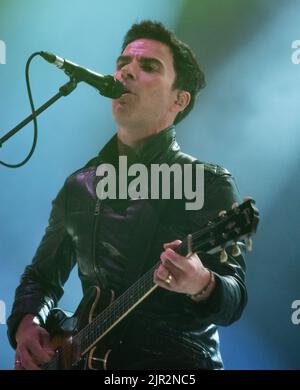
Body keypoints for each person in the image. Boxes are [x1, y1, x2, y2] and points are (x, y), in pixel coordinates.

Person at [7, 20, 247, 370]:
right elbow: (42, 277)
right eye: (122, 64)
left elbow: (234, 298)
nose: (126, 72)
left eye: (148, 66)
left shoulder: (208, 184)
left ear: (179, 99)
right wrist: (27, 323)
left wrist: (203, 283)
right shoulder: (81, 185)